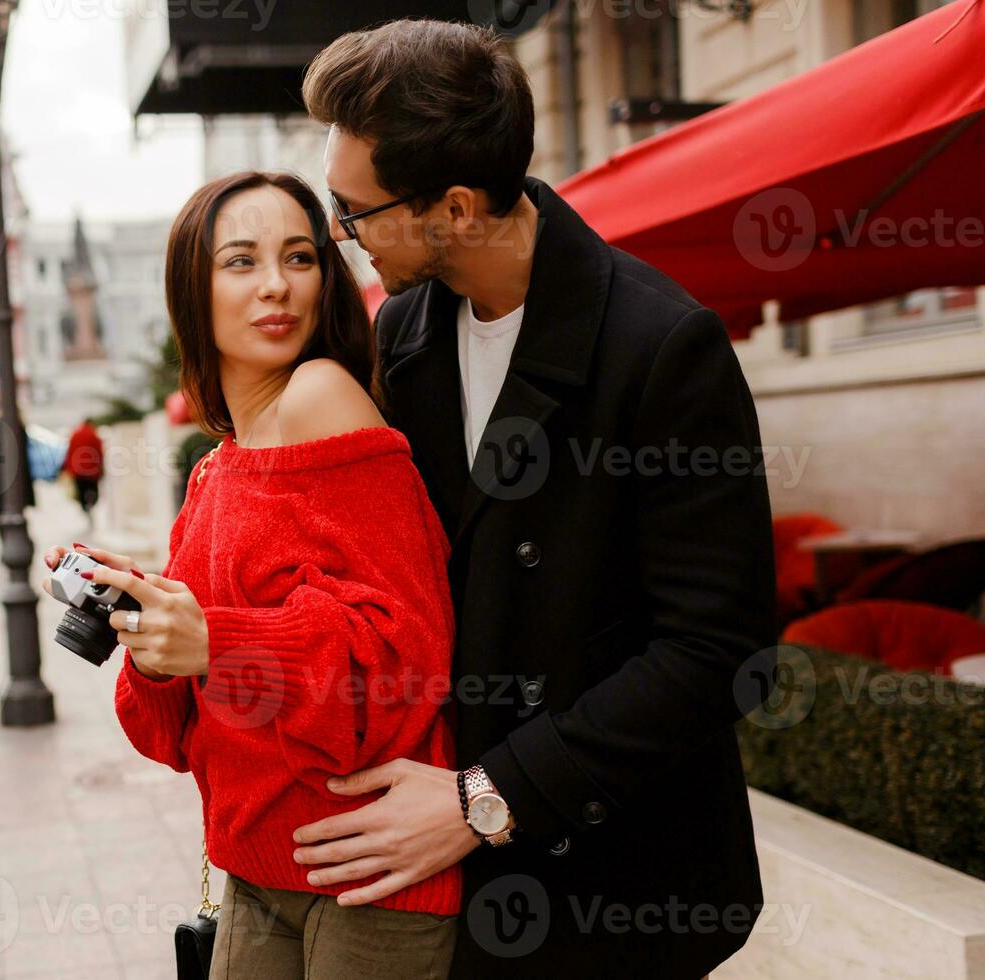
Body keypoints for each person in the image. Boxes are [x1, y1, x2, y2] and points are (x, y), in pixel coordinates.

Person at [287, 19, 778, 979]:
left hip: (618, 887)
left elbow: (718, 650)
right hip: (449, 892)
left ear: (458, 208)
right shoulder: (400, 337)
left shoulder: (662, 346)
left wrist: (488, 796)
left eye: (356, 213)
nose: (343, 239)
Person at [43, 172, 462, 978]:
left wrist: (219, 639)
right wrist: (146, 617)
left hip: (368, 874)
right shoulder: (216, 470)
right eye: (241, 261)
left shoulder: (323, 395)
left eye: (299, 257)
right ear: (191, 290)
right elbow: (171, 735)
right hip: (255, 869)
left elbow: (407, 658)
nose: (277, 285)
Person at [63, 419, 104, 526]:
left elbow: (69, 452)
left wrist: (69, 468)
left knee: (81, 491)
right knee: (93, 490)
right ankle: (91, 503)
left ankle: (85, 507)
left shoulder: (75, 434)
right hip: (92, 470)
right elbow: (99, 453)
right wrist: (101, 469)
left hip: (78, 470)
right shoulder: (94, 434)